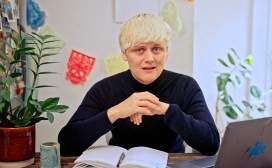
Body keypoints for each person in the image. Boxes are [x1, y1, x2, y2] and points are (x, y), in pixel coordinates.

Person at [58, 13, 220, 156]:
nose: (149, 58)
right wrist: (117, 111)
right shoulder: (104, 89)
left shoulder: (186, 86)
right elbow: (67, 144)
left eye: (157, 49)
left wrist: (166, 110)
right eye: (139, 50)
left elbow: (211, 143)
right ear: (124, 53)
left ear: (167, 52)